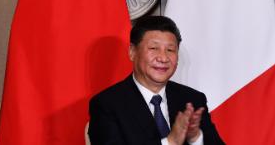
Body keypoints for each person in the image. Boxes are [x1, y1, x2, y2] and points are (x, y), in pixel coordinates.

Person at [89, 16, 225, 145]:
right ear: (132, 52)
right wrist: (170, 142)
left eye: (170, 50)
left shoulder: (192, 100)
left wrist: (195, 138)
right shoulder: (106, 104)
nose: (163, 58)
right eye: (153, 48)